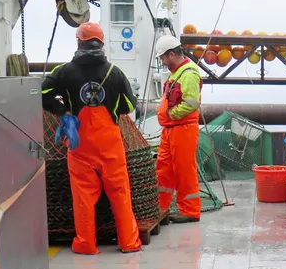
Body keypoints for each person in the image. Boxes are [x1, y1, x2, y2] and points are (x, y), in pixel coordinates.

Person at [41, 22, 142, 255]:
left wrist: (63, 112)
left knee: (83, 196)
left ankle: (86, 243)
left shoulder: (65, 71)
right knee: (119, 192)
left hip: (79, 142)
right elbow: (128, 105)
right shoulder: (115, 72)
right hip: (110, 144)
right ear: (102, 43)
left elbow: (42, 92)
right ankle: (129, 242)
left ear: (79, 42)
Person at [154, 35, 203, 223]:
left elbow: (191, 103)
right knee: (164, 170)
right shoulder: (178, 72)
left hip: (183, 129)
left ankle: (190, 211)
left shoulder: (189, 73)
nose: (163, 62)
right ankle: (161, 209)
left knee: (183, 170)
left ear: (172, 54)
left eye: (163, 58)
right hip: (171, 130)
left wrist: (171, 114)